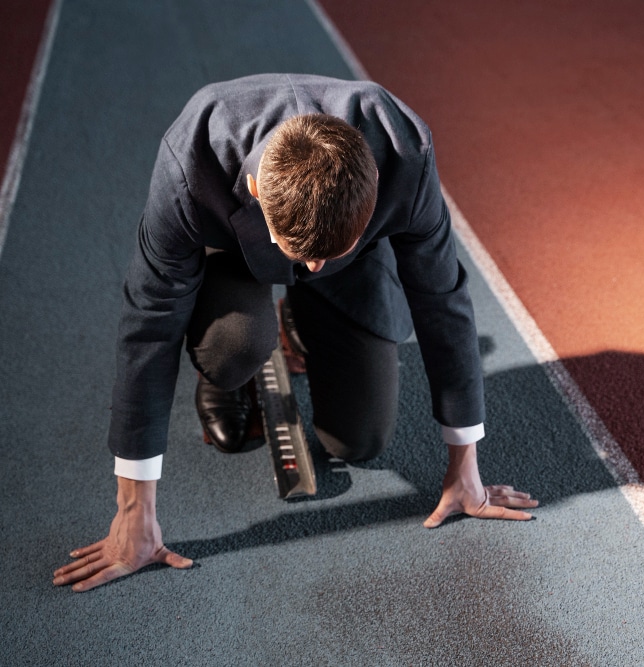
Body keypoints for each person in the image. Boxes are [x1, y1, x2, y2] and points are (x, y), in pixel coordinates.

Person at [52, 74, 537, 593]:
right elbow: (150, 324)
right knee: (235, 348)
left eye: (323, 254)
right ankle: (236, 355)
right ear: (257, 190)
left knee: (360, 440)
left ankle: (303, 316)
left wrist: (466, 468)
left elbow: (442, 300)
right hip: (236, 257)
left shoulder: (406, 154)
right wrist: (134, 512)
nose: (313, 264)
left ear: (374, 184)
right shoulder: (192, 161)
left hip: (356, 261)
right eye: (303, 254)